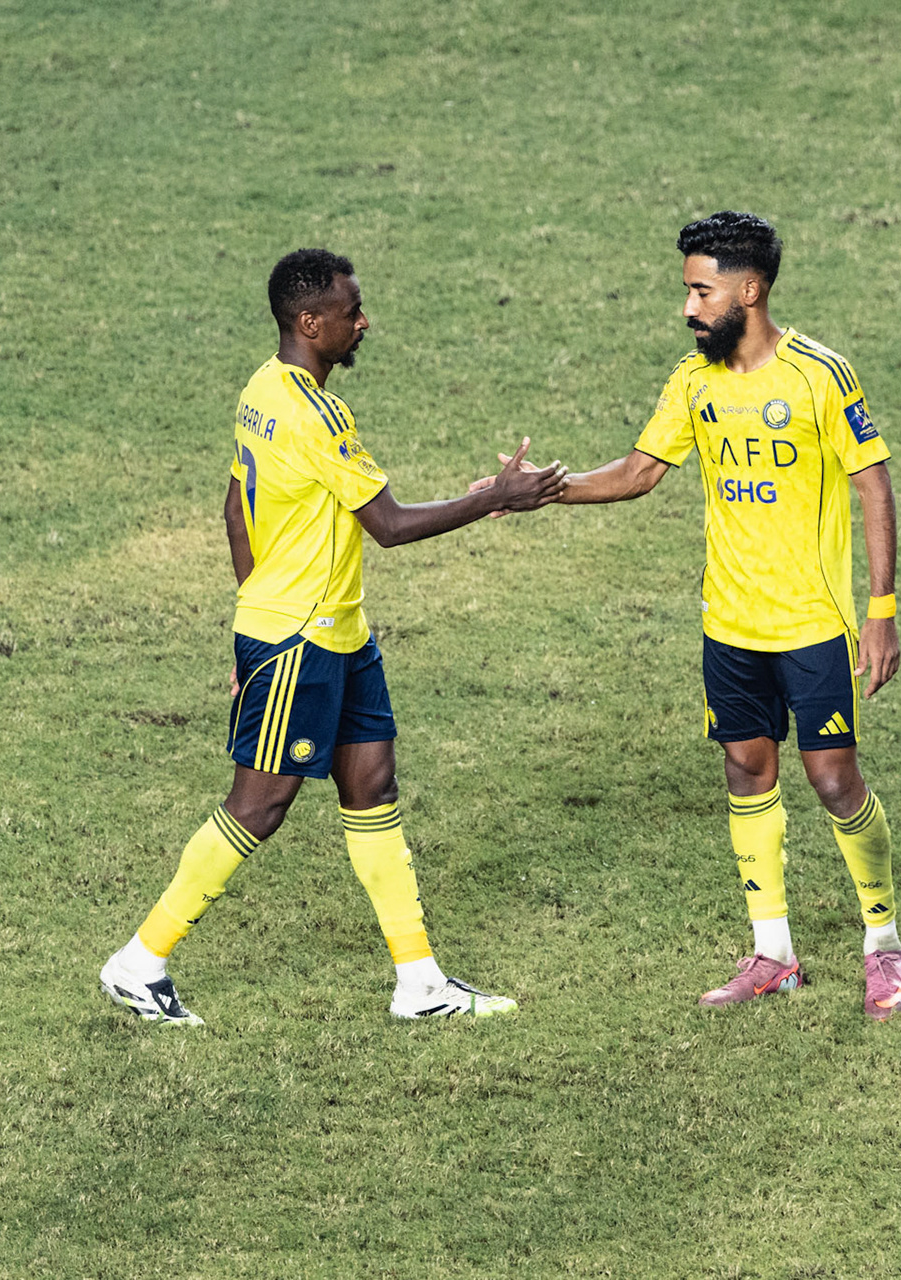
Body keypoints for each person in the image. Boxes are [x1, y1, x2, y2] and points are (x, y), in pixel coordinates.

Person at [100, 248, 566, 1025]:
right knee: (260, 804)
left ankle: (420, 984)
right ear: (310, 322)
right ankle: (139, 961)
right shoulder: (316, 413)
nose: (363, 321)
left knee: (372, 787)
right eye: (352, 312)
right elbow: (386, 525)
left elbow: (233, 505)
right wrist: (499, 499)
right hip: (300, 640)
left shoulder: (261, 389)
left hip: (337, 634)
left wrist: (250, 614)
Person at [479, 211, 901, 1018]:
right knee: (748, 771)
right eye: (687, 292)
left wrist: (879, 612)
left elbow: (873, 483)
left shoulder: (819, 375)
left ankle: (883, 944)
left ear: (750, 290)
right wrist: (537, 490)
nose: (689, 308)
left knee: (833, 779)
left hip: (812, 624)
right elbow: (641, 470)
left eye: (702, 292)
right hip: (730, 626)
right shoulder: (694, 381)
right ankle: (772, 953)